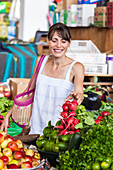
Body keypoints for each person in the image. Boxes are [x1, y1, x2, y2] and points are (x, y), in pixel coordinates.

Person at [1, 22, 84, 135]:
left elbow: (79, 92)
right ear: (48, 41)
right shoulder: (40, 61)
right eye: (54, 41)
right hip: (35, 129)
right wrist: (8, 114)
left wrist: (78, 96)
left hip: (59, 133)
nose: (59, 45)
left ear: (69, 43)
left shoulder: (76, 67)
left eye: (63, 41)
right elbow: (29, 92)